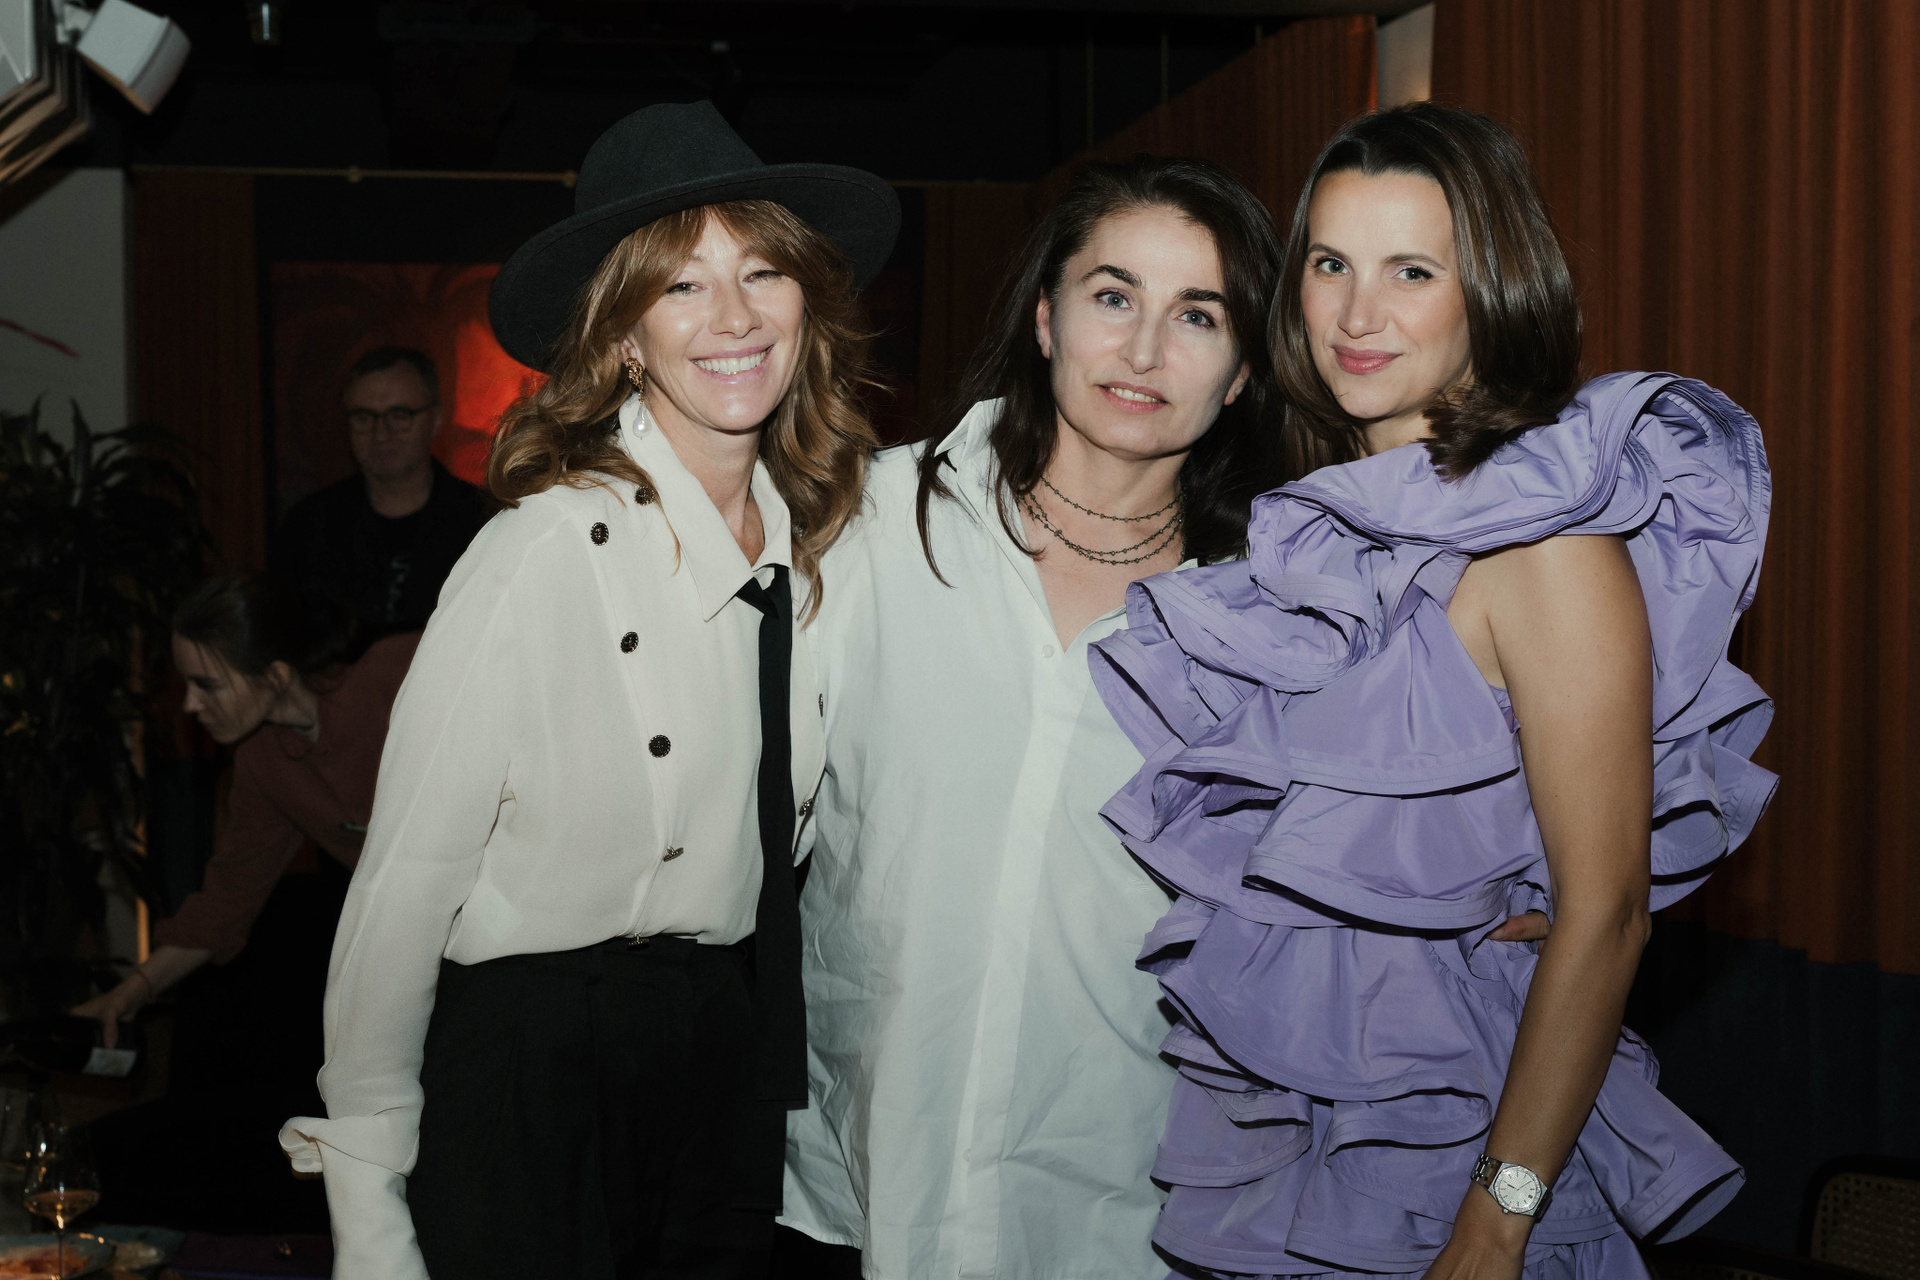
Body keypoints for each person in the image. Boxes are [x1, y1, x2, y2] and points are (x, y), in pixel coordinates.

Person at [777, 156, 1551, 1278]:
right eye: (1113, 296)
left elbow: (1400, 838)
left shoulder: (1284, 619)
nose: (1144, 351)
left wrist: (1498, 903)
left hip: (1127, 1206)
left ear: (1244, 373)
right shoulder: (870, 523)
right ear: (1046, 318)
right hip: (855, 1181)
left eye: (1199, 315)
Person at [1088, 103, 1777, 1279]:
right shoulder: (1311, 536)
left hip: (1463, 1151)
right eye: (1331, 264)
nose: (1358, 314)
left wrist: (1497, 1219)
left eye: (1412, 270)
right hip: (1295, 1122)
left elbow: (1607, 911)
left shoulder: (1545, 548)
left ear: (1492, 290)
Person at [279, 100, 897, 1280]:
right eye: (682, 285)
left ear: (804, 302)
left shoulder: (825, 554)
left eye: (762, 271)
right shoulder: (541, 553)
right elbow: (403, 885)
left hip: (723, 1065)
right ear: (623, 336)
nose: (732, 316)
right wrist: (366, 1196)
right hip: (534, 1069)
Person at [73, 573, 417, 1233]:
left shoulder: (395, 676)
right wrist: (132, 991)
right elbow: (226, 900)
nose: (190, 706)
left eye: (207, 685)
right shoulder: (265, 759)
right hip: (424, 969)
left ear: (276, 675)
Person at [273, 346, 487, 640]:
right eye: (364, 417)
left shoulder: (481, 523)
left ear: (435, 420)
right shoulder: (307, 526)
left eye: (399, 415)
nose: (381, 433)